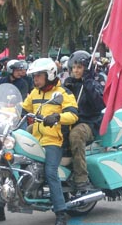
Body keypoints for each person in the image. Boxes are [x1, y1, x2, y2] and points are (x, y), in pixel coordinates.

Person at [22, 58, 79, 225]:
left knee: (50, 172)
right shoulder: (34, 93)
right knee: (11, 161)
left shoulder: (63, 93)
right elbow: (23, 109)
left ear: (49, 75)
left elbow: (73, 115)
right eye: (34, 76)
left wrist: (57, 117)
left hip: (54, 140)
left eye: (38, 76)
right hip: (35, 139)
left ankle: (60, 212)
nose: (35, 80)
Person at [63, 50, 105, 190]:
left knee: (76, 135)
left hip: (88, 123)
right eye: (74, 67)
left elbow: (99, 105)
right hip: (69, 120)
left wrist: (87, 83)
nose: (76, 70)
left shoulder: (94, 84)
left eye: (79, 67)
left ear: (87, 68)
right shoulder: (68, 84)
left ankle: (81, 177)